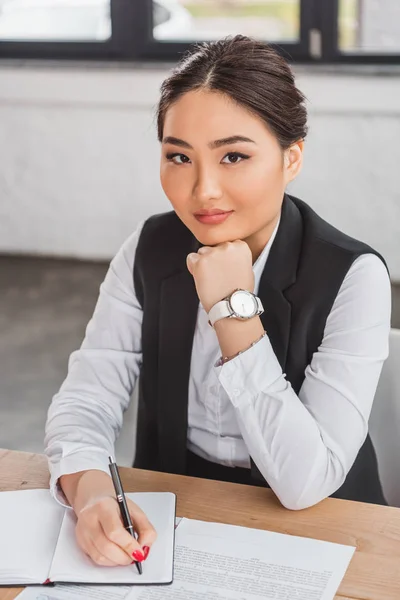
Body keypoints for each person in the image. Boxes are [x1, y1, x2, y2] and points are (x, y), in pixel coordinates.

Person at [44, 35, 391, 569]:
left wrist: (233, 307)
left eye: (234, 156)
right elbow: (88, 398)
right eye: (179, 156)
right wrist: (89, 487)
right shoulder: (149, 249)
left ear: (291, 157)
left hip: (331, 531)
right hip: (181, 513)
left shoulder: (355, 275)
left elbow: (305, 484)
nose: (202, 189)